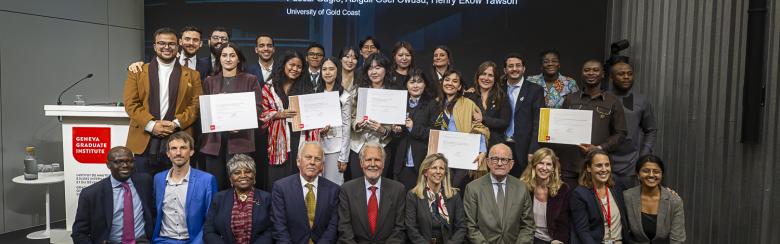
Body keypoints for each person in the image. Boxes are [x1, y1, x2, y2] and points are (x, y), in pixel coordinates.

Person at [123, 27, 202, 176]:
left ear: (178, 46)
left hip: (178, 140)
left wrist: (175, 124)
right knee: (143, 191)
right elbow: (131, 104)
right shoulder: (137, 72)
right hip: (143, 140)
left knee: (175, 192)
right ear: (154, 46)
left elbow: (196, 105)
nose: (166, 47)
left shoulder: (193, 75)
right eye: (161, 43)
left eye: (171, 44)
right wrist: (152, 125)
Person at [200, 42, 262, 190]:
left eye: (232, 55)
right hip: (214, 142)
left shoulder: (250, 79)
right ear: (219, 58)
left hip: (241, 140)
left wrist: (240, 123)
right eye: (224, 55)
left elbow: (258, 107)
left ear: (238, 59)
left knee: (240, 184)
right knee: (215, 184)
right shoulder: (209, 81)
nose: (228, 59)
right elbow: (204, 111)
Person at [558, 60, 627, 186]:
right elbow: (560, 129)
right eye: (587, 70)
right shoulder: (570, 99)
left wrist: (599, 148)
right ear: (582, 74)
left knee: (594, 203)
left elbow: (621, 134)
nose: (591, 73)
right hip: (570, 165)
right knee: (568, 203)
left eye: (595, 70)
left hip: (597, 166)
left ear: (603, 74)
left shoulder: (612, 102)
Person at [72, 146, 155, 244]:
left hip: (141, 241)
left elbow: (153, 213)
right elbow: (79, 233)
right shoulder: (91, 194)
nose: (125, 165)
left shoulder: (145, 182)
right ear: (108, 164)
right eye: (118, 162)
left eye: (129, 161)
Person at [152, 131, 217, 243]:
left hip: (193, 241)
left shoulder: (207, 180)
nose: (178, 153)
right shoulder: (158, 179)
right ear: (168, 153)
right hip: (162, 240)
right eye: (173, 148)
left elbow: (210, 219)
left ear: (191, 151)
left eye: (183, 148)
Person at [260, 50, 311, 189]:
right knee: (277, 181)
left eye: (299, 67)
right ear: (283, 65)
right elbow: (261, 113)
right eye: (291, 65)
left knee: (296, 181)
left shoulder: (307, 88)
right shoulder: (269, 87)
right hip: (276, 141)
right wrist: (277, 114)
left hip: (298, 139)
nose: (295, 69)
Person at [463, 143, 534, 244]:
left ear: (511, 164)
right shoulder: (473, 188)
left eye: (504, 160)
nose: (499, 163)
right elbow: (470, 226)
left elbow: (528, 226)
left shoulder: (521, 188)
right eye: (495, 159)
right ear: (488, 162)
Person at [271, 142, 340, 243]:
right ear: (298, 161)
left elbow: (333, 227)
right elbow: (279, 226)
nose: (312, 162)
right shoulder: (281, 188)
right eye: (308, 157)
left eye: (317, 159)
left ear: (322, 165)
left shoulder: (334, 190)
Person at [346, 52, 400, 181]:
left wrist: (383, 130)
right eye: (370, 68)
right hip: (358, 146)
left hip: (383, 146)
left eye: (378, 68)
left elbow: (397, 125)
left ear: (386, 70)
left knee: (380, 185)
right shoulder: (357, 90)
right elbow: (348, 117)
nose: (374, 72)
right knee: (357, 186)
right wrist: (357, 124)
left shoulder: (394, 93)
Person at [338, 142, 406, 243]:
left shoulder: (398, 190)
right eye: (368, 160)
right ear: (361, 163)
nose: (373, 164)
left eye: (377, 160)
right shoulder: (347, 190)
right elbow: (345, 230)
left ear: (383, 163)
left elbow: (399, 229)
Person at [433, 70, 489, 190]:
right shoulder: (435, 105)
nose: (450, 83)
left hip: (464, 156)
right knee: (441, 189)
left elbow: (479, 128)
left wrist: (483, 151)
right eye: (447, 80)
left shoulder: (469, 104)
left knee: (455, 188)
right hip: (440, 156)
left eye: (455, 81)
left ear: (459, 87)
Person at [608, 61, 658, 188]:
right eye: (621, 74)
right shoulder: (603, 98)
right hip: (604, 162)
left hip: (630, 165)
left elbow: (651, 130)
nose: (626, 77)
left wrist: (643, 155)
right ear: (611, 77)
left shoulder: (640, 100)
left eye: (630, 74)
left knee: (628, 204)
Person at [203, 154, 273, 244]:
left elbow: (271, 230)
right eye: (237, 173)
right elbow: (209, 230)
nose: (243, 175)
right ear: (230, 179)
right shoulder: (219, 198)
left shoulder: (266, 198)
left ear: (254, 176)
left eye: (247, 171)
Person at [570, 149, 630, 244]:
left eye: (607, 165)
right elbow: (583, 231)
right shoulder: (579, 194)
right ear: (589, 168)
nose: (604, 169)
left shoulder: (616, 184)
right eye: (599, 165)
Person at [393, 69, 440, 189]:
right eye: (411, 82)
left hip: (421, 162)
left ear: (425, 84)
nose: (415, 85)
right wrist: (396, 131)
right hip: (401, 163)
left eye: (419, 82)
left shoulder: (432, 104)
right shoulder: (400, 103)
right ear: (406, 85)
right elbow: (396, 137)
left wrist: (414, 128)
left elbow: (436, 133)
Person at [405, 153, 467, 243]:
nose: (438, 171)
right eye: (434, 168)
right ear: (425, 172)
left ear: (445, 173)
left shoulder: (454, 195)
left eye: (441, 168)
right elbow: (411, 228)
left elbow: (461, 227)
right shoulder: (413, 195)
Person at [623, 155, 686, 243]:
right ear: (638, 174)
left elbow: (677, 239)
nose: (651, 175)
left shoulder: (674, 201)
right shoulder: (627, 197)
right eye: (646, 171)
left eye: (656, 171)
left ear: (662, 175)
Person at [502, 53, 545, 177]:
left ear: (524, 69)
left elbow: (539, 122)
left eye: (518, 65)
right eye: (510, 66)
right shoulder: (498, 88)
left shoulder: (535, 90)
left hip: (524, 147)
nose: (514, 69)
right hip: (501, 145)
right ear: (505, 70)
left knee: (522, 186)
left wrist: (533, 150)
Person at [519, 148, 572, 244]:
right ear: (534, 165)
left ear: (553, 168)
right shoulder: (522, 186)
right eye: (540, 163)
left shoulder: (563, 189)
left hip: (553, 239)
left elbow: (563, 222)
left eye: (548, 164)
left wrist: (559, 240)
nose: (544, 168)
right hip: (529, 237)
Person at [315, 57, 351, 185]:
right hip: (316, 146)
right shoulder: (315, 93)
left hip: (335, 148)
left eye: (331, 69)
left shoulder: (344, 96)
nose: (327, 72)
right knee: (316, 186)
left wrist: (344, 157)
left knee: (333, 186)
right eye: (324, 69)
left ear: (337, 71)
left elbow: (347, 127)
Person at [127, 26, 209, 80]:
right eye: (187, 39)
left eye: (195, 40)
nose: (191, 43)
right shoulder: (166, 58)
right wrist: (135, 65)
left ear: (200, 43)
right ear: (180, 42)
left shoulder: (207, 66)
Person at [464, 61, 512, 148]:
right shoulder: (469, 96)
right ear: (478, 76)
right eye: (483, 74)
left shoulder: (501, 97)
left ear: (495, 79)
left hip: (495, 145)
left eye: (490, 75)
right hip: (471, 144)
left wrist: (483, 119)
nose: (486, 78)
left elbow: (504, 122)